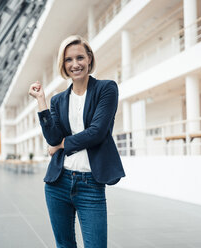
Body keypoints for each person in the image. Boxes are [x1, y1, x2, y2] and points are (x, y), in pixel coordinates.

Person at [29, 35, 125, 248]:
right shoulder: (58, 100)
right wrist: (41, 102)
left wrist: (61, 145)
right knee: (64, 245)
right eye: (68, 60)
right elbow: (52, 137)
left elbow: (96, 133)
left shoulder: (106, 89)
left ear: (89, 58)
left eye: (80, 57)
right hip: (58, 183)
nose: (75, 64)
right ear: (63, 64)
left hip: (91, 183)